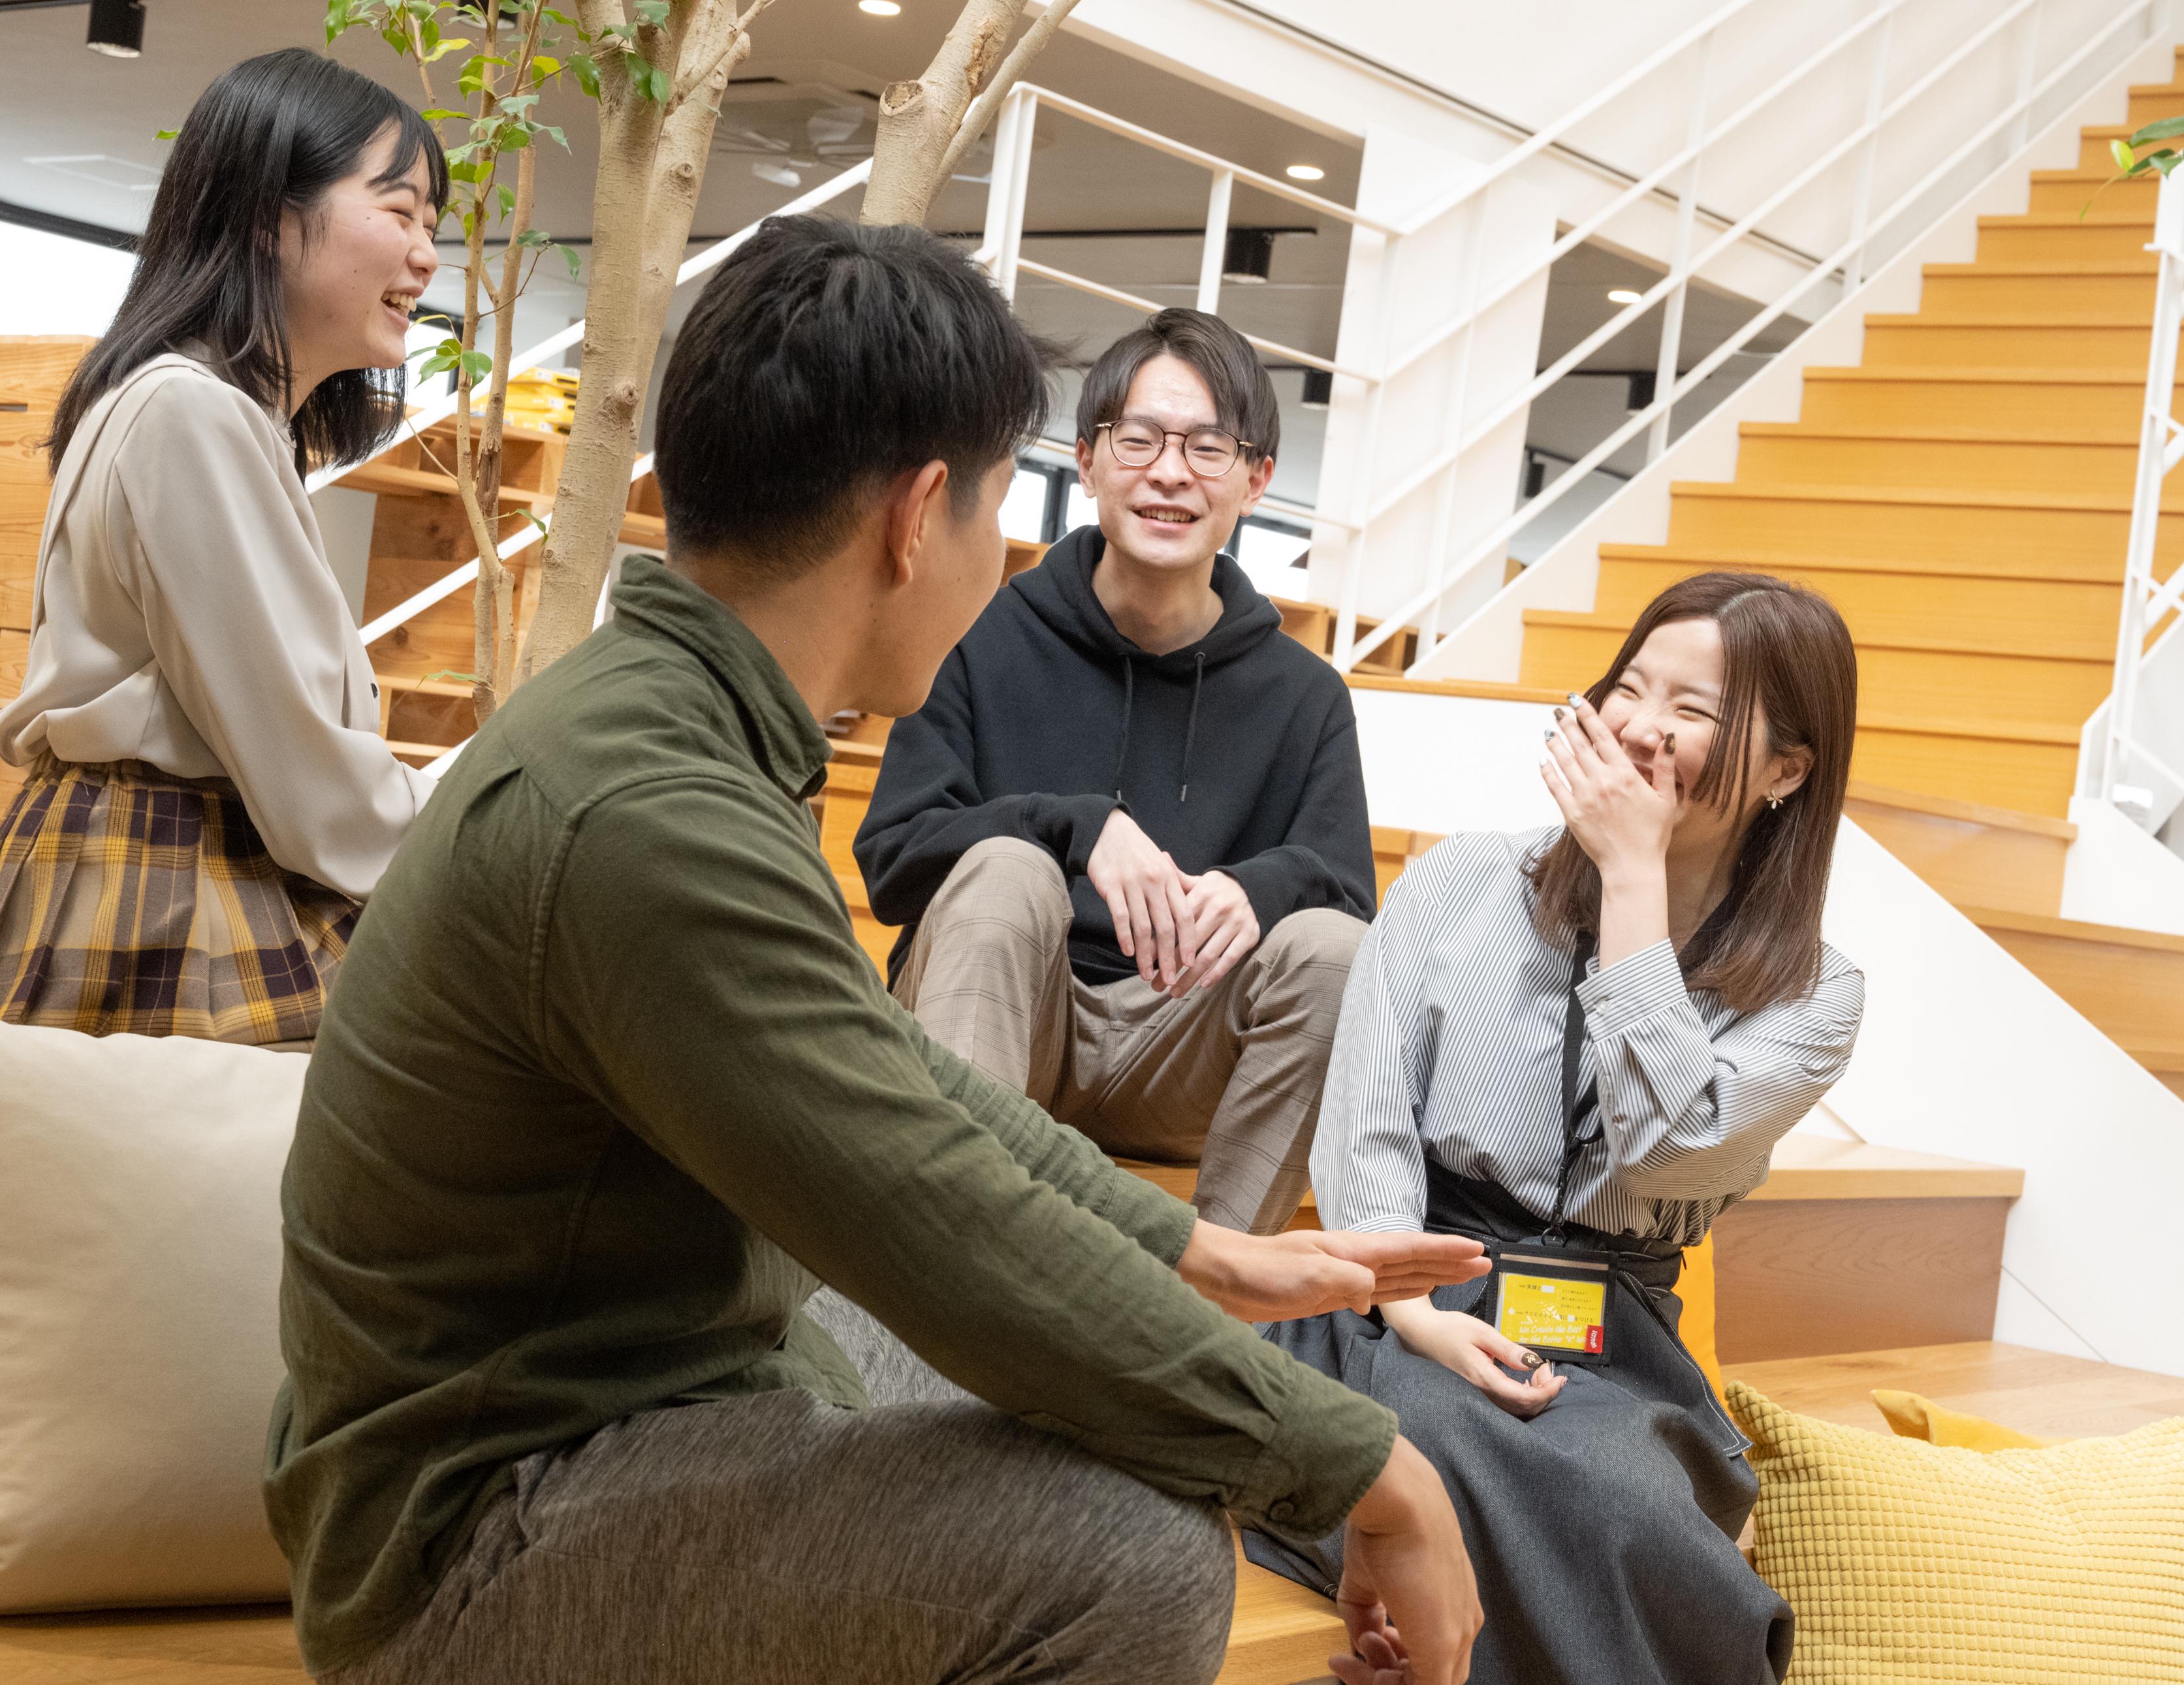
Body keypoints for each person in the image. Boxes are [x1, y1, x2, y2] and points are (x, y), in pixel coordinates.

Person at [267, 217, 1490, 1685]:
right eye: (997, 507)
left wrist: (1204, 1249)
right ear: (918, 517)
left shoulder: (675, 727)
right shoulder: (648, 811)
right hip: (481, 1539)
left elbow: (909, 1087)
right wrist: (1372, 1471)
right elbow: (936, 1211)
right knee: (1137, 1551)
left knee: (1102, 1415)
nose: (1001, 554)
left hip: (668, 1394)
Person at [0, 48, 437, 1120]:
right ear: (269, 217)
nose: (425, 256)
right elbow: (309, 785)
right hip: (170, 883)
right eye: (400, 211)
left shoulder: (201, 409)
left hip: (137, 865)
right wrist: (471, 812)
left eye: (432, 226)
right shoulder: (192, 412)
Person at [1246, 571, 1866, 1684]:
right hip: (1404, 1294)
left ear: (1786, 770)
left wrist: (1632, 880)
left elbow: (1662, 1148)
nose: (1641, 725)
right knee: (1427, 1423)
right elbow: (1367, 1129)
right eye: (1631, 687)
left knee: (1624, 1498)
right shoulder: (1461, 879)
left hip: (1616, 1345)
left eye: (1694, 709)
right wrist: (1413, 1309)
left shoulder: (1816, 996)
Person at [855, 308, 1372, 1236]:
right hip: (997, 1010)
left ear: (1255, 480)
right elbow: (893, 861)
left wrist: (1256, 889)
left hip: (1178, 1042)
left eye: (1208, 447)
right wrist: (1076, 827)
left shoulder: (1307, 695)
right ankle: (957, 1264)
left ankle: (1221, 1292)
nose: (1170, 472)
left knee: (1336, 952)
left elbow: (1347, 894)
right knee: (1007, 870)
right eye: (1139, 440)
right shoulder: (976, 633)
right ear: (1088, 461)